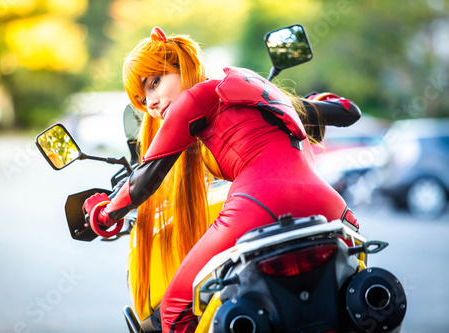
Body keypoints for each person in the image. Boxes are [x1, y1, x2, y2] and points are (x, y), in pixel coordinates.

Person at [83, 27, 361, 333]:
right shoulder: (261, 92)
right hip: (327, 204)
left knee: (174, 309)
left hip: (257, 205)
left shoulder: (195, 98)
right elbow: (349, 113)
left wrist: (106, 212)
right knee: (358, 283)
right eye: (142, 97)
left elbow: (146, 178)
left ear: (182, 66)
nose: (150, 102)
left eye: (155, 82)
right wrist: (311, 103)